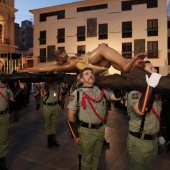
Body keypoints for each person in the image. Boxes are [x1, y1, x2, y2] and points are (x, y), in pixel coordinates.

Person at [67, 68, 121, 170]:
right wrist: (75, 135)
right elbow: (70, 115)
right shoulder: (77, 93)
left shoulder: (101, 90)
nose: (91, 75)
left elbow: (116, 97)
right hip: (86, 132)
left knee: (97, 158)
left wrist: (116, 83)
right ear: (82, 79)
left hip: (100, 130)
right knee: (87, 160)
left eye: (92, 73)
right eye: (87, 74)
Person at [18, 44, 146, 74]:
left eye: (63, 52)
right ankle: (125, 63)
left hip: (95, 63)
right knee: (102, 47)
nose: (64, 54)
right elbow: (41, 68)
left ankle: (129, 65)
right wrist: (24, 70)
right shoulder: (63, 66)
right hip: (89, 63)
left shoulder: (71, 58)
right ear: (59, 59)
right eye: (61, 54)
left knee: (110, 60)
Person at [127, 61, 162, 170]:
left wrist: (160, 135)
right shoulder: (134, 93)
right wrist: (150, 86)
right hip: (139, 142)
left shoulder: (156, 95)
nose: (155, 70)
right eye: (151, 68)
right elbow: (141, 110)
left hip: (153, 141)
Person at [0, 79, 24, 169]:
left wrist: (20, 89)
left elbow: (12, 98)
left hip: (4, 116)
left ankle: (2, 161)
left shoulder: (5, 85)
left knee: (3, 140)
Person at [41, 79, 62, 149]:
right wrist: (44, 87)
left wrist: (60, 104)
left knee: (54, 123)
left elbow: (60, 94)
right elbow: (42, 95)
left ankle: (53, 140)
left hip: (55, 106)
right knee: (48, 124)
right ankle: (49, 141)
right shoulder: (44, 84)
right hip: (47, 106)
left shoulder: (58, 83)